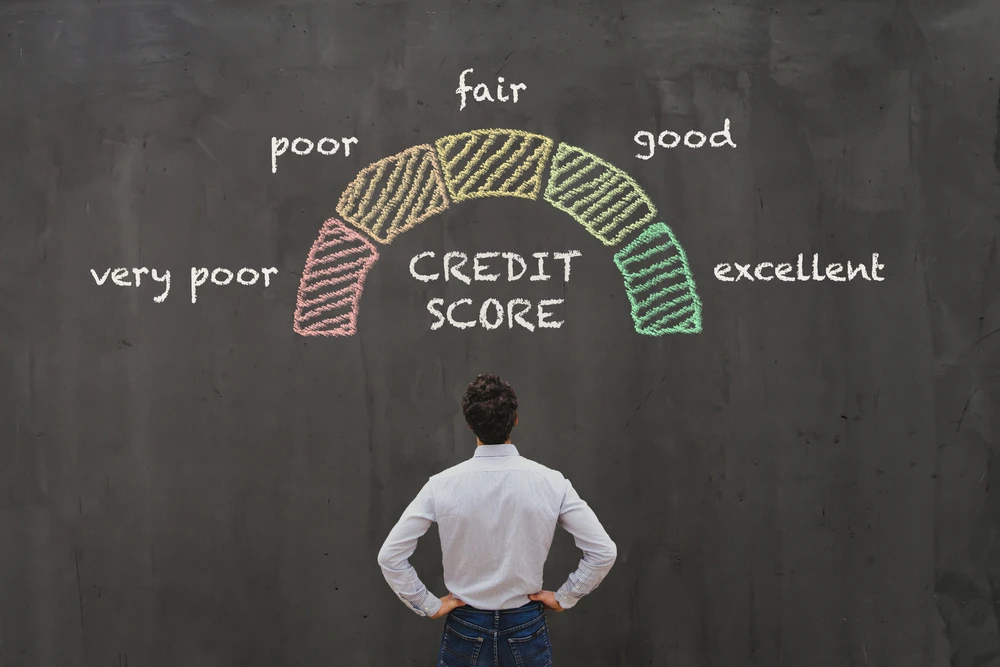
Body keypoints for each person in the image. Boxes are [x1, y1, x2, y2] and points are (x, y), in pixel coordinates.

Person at [377, 373, 617, 666]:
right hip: (525, 625)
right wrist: (566, 596)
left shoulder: (441, 485)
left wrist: (427, 604)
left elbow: (390, 556)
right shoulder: (551, 482)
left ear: (469, 424)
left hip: (465, 626)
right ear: (515, 419)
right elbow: (603, 551)